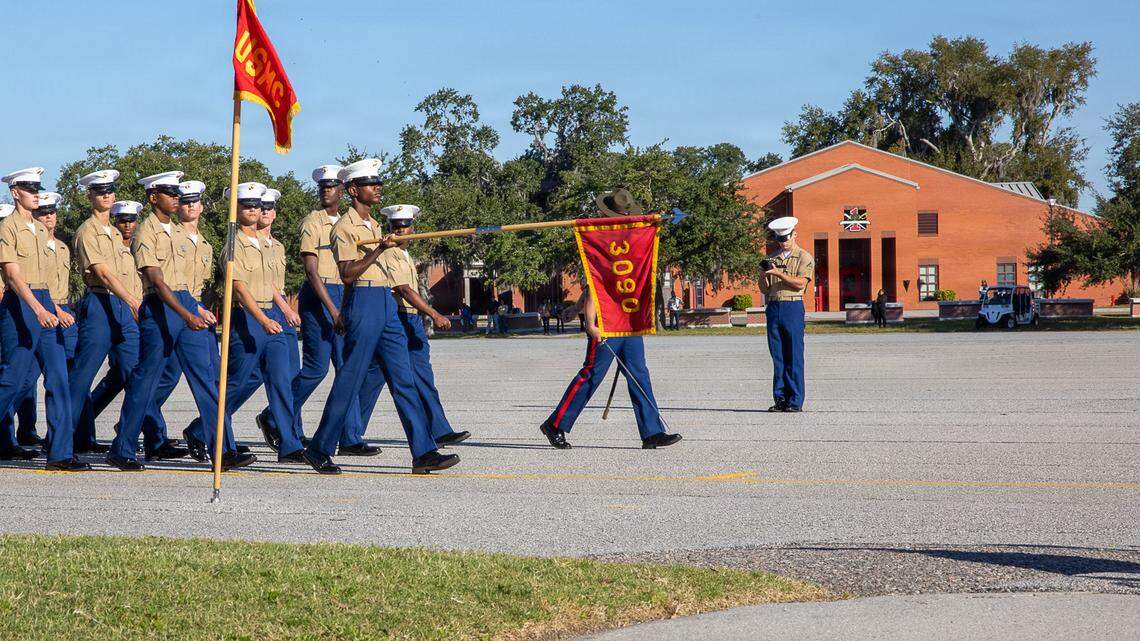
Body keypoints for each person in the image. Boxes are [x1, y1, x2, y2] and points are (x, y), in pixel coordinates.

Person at [302, 158, 458, 475]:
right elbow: (347, 274)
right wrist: (376, 252)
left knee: (404, 380)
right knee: (350, 378)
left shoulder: (374, 225)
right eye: (371, 184)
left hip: (386, 303)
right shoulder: (344, 227)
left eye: (378, 183)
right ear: (353, 190)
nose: (378, 188)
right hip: (364, 301)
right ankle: (320, 448)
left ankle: (424, 452)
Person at [108, 171, 254, 471]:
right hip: (160, 309)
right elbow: (158, 282)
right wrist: (187, 314)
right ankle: (122, 447)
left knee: (207, 381)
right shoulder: (145, 233)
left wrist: (196, 310)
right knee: (145, 381)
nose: (176, 198)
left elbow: (184, 284)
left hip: (185, 306)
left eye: (177, 193)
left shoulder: (178, 232)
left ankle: (222, 449)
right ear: (153, 197)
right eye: (169, 193)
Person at [539, 188, 682, 450]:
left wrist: (576, 307)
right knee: (592, 375)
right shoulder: (600, 239)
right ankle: (555, 424)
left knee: (639, 374)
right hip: (605, 323)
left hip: (627, 319)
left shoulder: (627, 241)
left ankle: (652, 432)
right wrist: (591, 322)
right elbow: (597, 286)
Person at [186, 183, 306, 463]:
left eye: (256, 205)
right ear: (236, 210)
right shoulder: (233, 243)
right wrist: (262, 319)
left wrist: (276, 313)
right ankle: (200, 429)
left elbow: (273, 285)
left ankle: (289, 444)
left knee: (281, 381)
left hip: (270, 317)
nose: (253, 210)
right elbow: (239, 287)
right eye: (247, 205)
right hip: (247, 319)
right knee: (238, 381)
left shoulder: (269, 245)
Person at [258, 165, 373, 456]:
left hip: (344, 293)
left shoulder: (351, 222)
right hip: (320, 296)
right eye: (322, 187)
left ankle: (349, 436)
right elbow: (311, 272)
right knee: (317, 368)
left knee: (347, 368)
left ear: (343, 190)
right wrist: (334, 310)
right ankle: (275, 415)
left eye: (331, 186)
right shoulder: (313, 222)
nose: (326, 191)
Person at [0, 167, 87, 470]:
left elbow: (47, 278)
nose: (35, 194)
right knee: (13, 380)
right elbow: (12, 274)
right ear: (15, 193)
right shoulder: (7, 228)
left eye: (37, 189)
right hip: (22, 306)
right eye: (29, 189)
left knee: (59, 379)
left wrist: (54, 307)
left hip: (45, 303)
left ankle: (61, 453)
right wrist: (37, 309)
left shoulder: (39, 231)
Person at [374, 204, 470, 447]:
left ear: (413, 228)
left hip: (411, 319)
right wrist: (434, 314)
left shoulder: (405, 255)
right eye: (395, 227)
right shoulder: (388, 254)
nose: (400, 232)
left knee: (422, 377)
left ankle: (439, 429)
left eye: (405, 227)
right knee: (372, 380)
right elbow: (404, 289)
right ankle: (347, 434)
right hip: (398, 318)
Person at [761, 216, 814, 413]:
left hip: (792, 306)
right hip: (774, 306)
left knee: (794, 354)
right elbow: (765, 289)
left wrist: (778, 274)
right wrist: (763, 273)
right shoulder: (773, 259)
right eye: (779, 239)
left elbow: (801, 283)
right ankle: (780, 398)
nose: (783, 242)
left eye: (786, 238)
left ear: (794, 235)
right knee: (778, 356)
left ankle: (795, 400)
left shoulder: (804, 257)